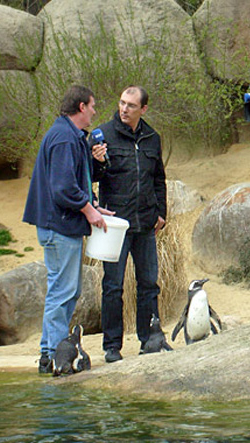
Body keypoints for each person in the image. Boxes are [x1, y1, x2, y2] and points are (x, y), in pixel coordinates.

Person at [23, 85, 111, 374]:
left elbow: (75, 182)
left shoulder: (70, 136)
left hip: (62, 226)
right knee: (62, 292)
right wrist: (89, 211)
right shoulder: (63, 138)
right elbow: (63, 189)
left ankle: (53, 354)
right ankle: (51, 356)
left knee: (67, 291)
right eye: (93, 106)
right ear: (82, 107)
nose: (95, 111)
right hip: (59, 228)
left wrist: (94, 206)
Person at [91, 85, 167, 362]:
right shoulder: (102, 135)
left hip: (146, 222)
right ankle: (112, 346)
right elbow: (88, 178)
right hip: (115, 224)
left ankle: (150, 339)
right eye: (122, 103)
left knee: (148, 283)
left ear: (143, 109)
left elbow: (159, 177)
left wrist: (162, 211)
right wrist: (96, 163)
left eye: (131, 105)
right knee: (113, 286)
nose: (124, 109)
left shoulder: (151, 137)